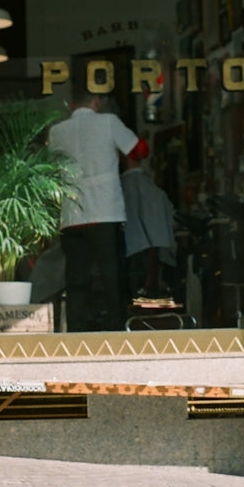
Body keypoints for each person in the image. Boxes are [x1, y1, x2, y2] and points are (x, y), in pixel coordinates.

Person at [48, 88, 148, 331]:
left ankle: (77, 334)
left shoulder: (57, 131)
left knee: (76, 282)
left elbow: (51, 169)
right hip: (106, 213)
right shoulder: (109, 122)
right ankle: (115, 331)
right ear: (96, 100)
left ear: (72, 104)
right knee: (112, 279)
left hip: (72, 216)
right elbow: (140, 151)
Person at [120, 151, 176, 299]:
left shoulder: (119, 186)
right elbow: (159, 231)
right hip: (143, 252)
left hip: (129, 252)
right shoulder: (151, 188)